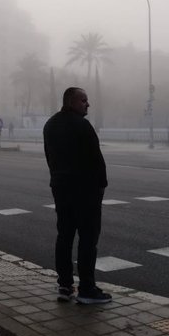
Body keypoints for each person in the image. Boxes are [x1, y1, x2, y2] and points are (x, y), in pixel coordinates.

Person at [43, 87, 111, 305]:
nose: (87, 104)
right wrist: (101, 185)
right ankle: (87, 289)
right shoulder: (82, 125)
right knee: (88, 240)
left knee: (64, 236)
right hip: (85, 191)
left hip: (61, 188)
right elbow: (95, 158)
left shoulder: (50, 124)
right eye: (83, 100)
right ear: (71, 102)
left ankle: (64, 285)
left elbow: (50, 158)